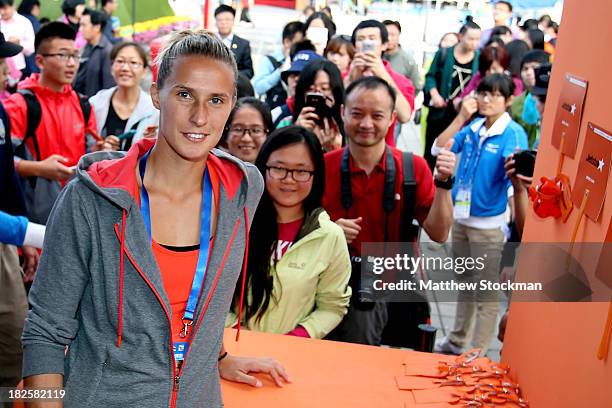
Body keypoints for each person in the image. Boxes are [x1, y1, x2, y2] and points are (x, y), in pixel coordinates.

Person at [21, 29, 290, 408]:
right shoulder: (90, 199)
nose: (199, 117)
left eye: (216, 100)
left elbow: (188, 307)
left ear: (232, 105)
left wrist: (217, 357)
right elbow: (44, 333)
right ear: (156, 94)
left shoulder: (243, 190)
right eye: (184, 95)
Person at [323, 76, 456, 346]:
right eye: (357, 114)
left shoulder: (413, 168)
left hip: (399, 288)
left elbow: (440, 233)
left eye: (377, 115)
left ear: (392, 117)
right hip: (338, 287)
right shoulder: (323, 167)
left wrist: (444, 183)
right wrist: (329, 230)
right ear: (342, 113)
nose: (366, 124)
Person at [432, 73, 528, 355]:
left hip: (488, 223)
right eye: (483, 93)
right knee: (465, 284)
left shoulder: (512, 134)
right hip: (461, 218)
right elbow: (439, 146)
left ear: (509, 100)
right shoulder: (474, 127)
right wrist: (461, 117)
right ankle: (457, 339)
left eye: (495, 95)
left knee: (485, 293)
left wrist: (516, 230)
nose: (486, 100)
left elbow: (515, 182)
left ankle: (478, 350)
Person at [227, 125, 351, 338]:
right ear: (263, 168)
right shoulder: (234, 223)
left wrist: (297, 338)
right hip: (230, 349)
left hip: (292, 357)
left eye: (301, 171)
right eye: (279, 168)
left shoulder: (329, 236)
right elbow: (208, 290)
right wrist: (237, 332)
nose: (289, 179)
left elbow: (333, 306)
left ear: (315, 175)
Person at [5, 22, 109, 225]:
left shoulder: (83, 104)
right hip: (34, 221)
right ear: (40, 61)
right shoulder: (20, 105)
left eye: (75, 56)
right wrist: (38, 168)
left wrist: (101, 148)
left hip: (78, 214)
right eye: (63, 55)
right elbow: (3, 161)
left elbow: (91, 153)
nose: (72, 63)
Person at [346, 19, 415, 147]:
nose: (366, 43)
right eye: (361, 39)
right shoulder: (345, 76)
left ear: (384, 44)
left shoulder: (400, 81)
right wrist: (350, 79)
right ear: (355, 45)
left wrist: (383, 75)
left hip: (384, 153)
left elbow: (404, 116)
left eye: (372, 39)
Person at [424, 20, 481, 170]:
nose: (474, 43)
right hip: (439, 110)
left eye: (477, 39)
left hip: (462, 114)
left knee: (451, 153)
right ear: (461, 36)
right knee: (431, 151)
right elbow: (430, 76)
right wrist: (435, 94)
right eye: (471, 38)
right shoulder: (444, 53)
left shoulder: (479, 59)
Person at [89, 42, 160, 151]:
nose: (125, 68)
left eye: (133, 62)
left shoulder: (155, 110)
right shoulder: (95, 103)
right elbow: (86, 146)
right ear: (111, 67)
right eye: (120, 61)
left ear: (145, 71)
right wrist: (98, 150)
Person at [278, 59, 344, 152]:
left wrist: (334, 152)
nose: (318, 93)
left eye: (324, 88)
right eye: (310, 89)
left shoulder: (349, 126)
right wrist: (296, 133)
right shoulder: (286, 124)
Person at [252, 20, 304, 109]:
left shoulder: (307, 60)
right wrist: (280, 71)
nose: (303, 48)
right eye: (300, 44)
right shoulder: (270, 60)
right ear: (287, 42)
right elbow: (257, 88)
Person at [455, 45, 523, 109]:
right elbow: (460, 98)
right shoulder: (479, 77)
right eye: (487, 69)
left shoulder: (514, 82)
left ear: (503, 66)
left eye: (495, 69)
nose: (491, 72)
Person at [271, 47, 321, 128]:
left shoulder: (329, 116)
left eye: (302, 74)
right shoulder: (276, 115)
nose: (296, 79)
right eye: (293, 74)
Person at [510, 50, 550, 148]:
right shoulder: (517, 102)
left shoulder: (555, 100)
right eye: (525, 68)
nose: (529, 73)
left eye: (534, 67)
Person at [73, 8, 115, 97]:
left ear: (97, 27)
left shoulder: (107, 51)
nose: (80, 30)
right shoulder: (85, 47)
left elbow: (109, 88)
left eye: (84, 25)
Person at [223, 96, 272, 163]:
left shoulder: (279, 170)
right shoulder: (210, 170)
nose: (246, 139)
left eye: (255, 130)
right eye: (238, 129)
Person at [214, 4, 253, 79]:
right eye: (220, 20)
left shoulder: (243, 44)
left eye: (227, 19)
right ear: (215, 21)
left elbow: (249, 72)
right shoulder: (208, 41)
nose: (224, 23)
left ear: (233, 21)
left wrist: (232, 76)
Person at [383, 20, 422, 92]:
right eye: (386, 34)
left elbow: (416, 86)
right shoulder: (376, 57)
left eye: (392, 34)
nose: (389, 38)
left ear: (399, 35)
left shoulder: (408, 59)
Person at [0, 0, 35, 78]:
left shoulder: (24, 22)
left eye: (4, 8)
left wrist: (19, 44)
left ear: (13, 6)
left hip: (18, 67)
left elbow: (31, 47)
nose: (2, 12)